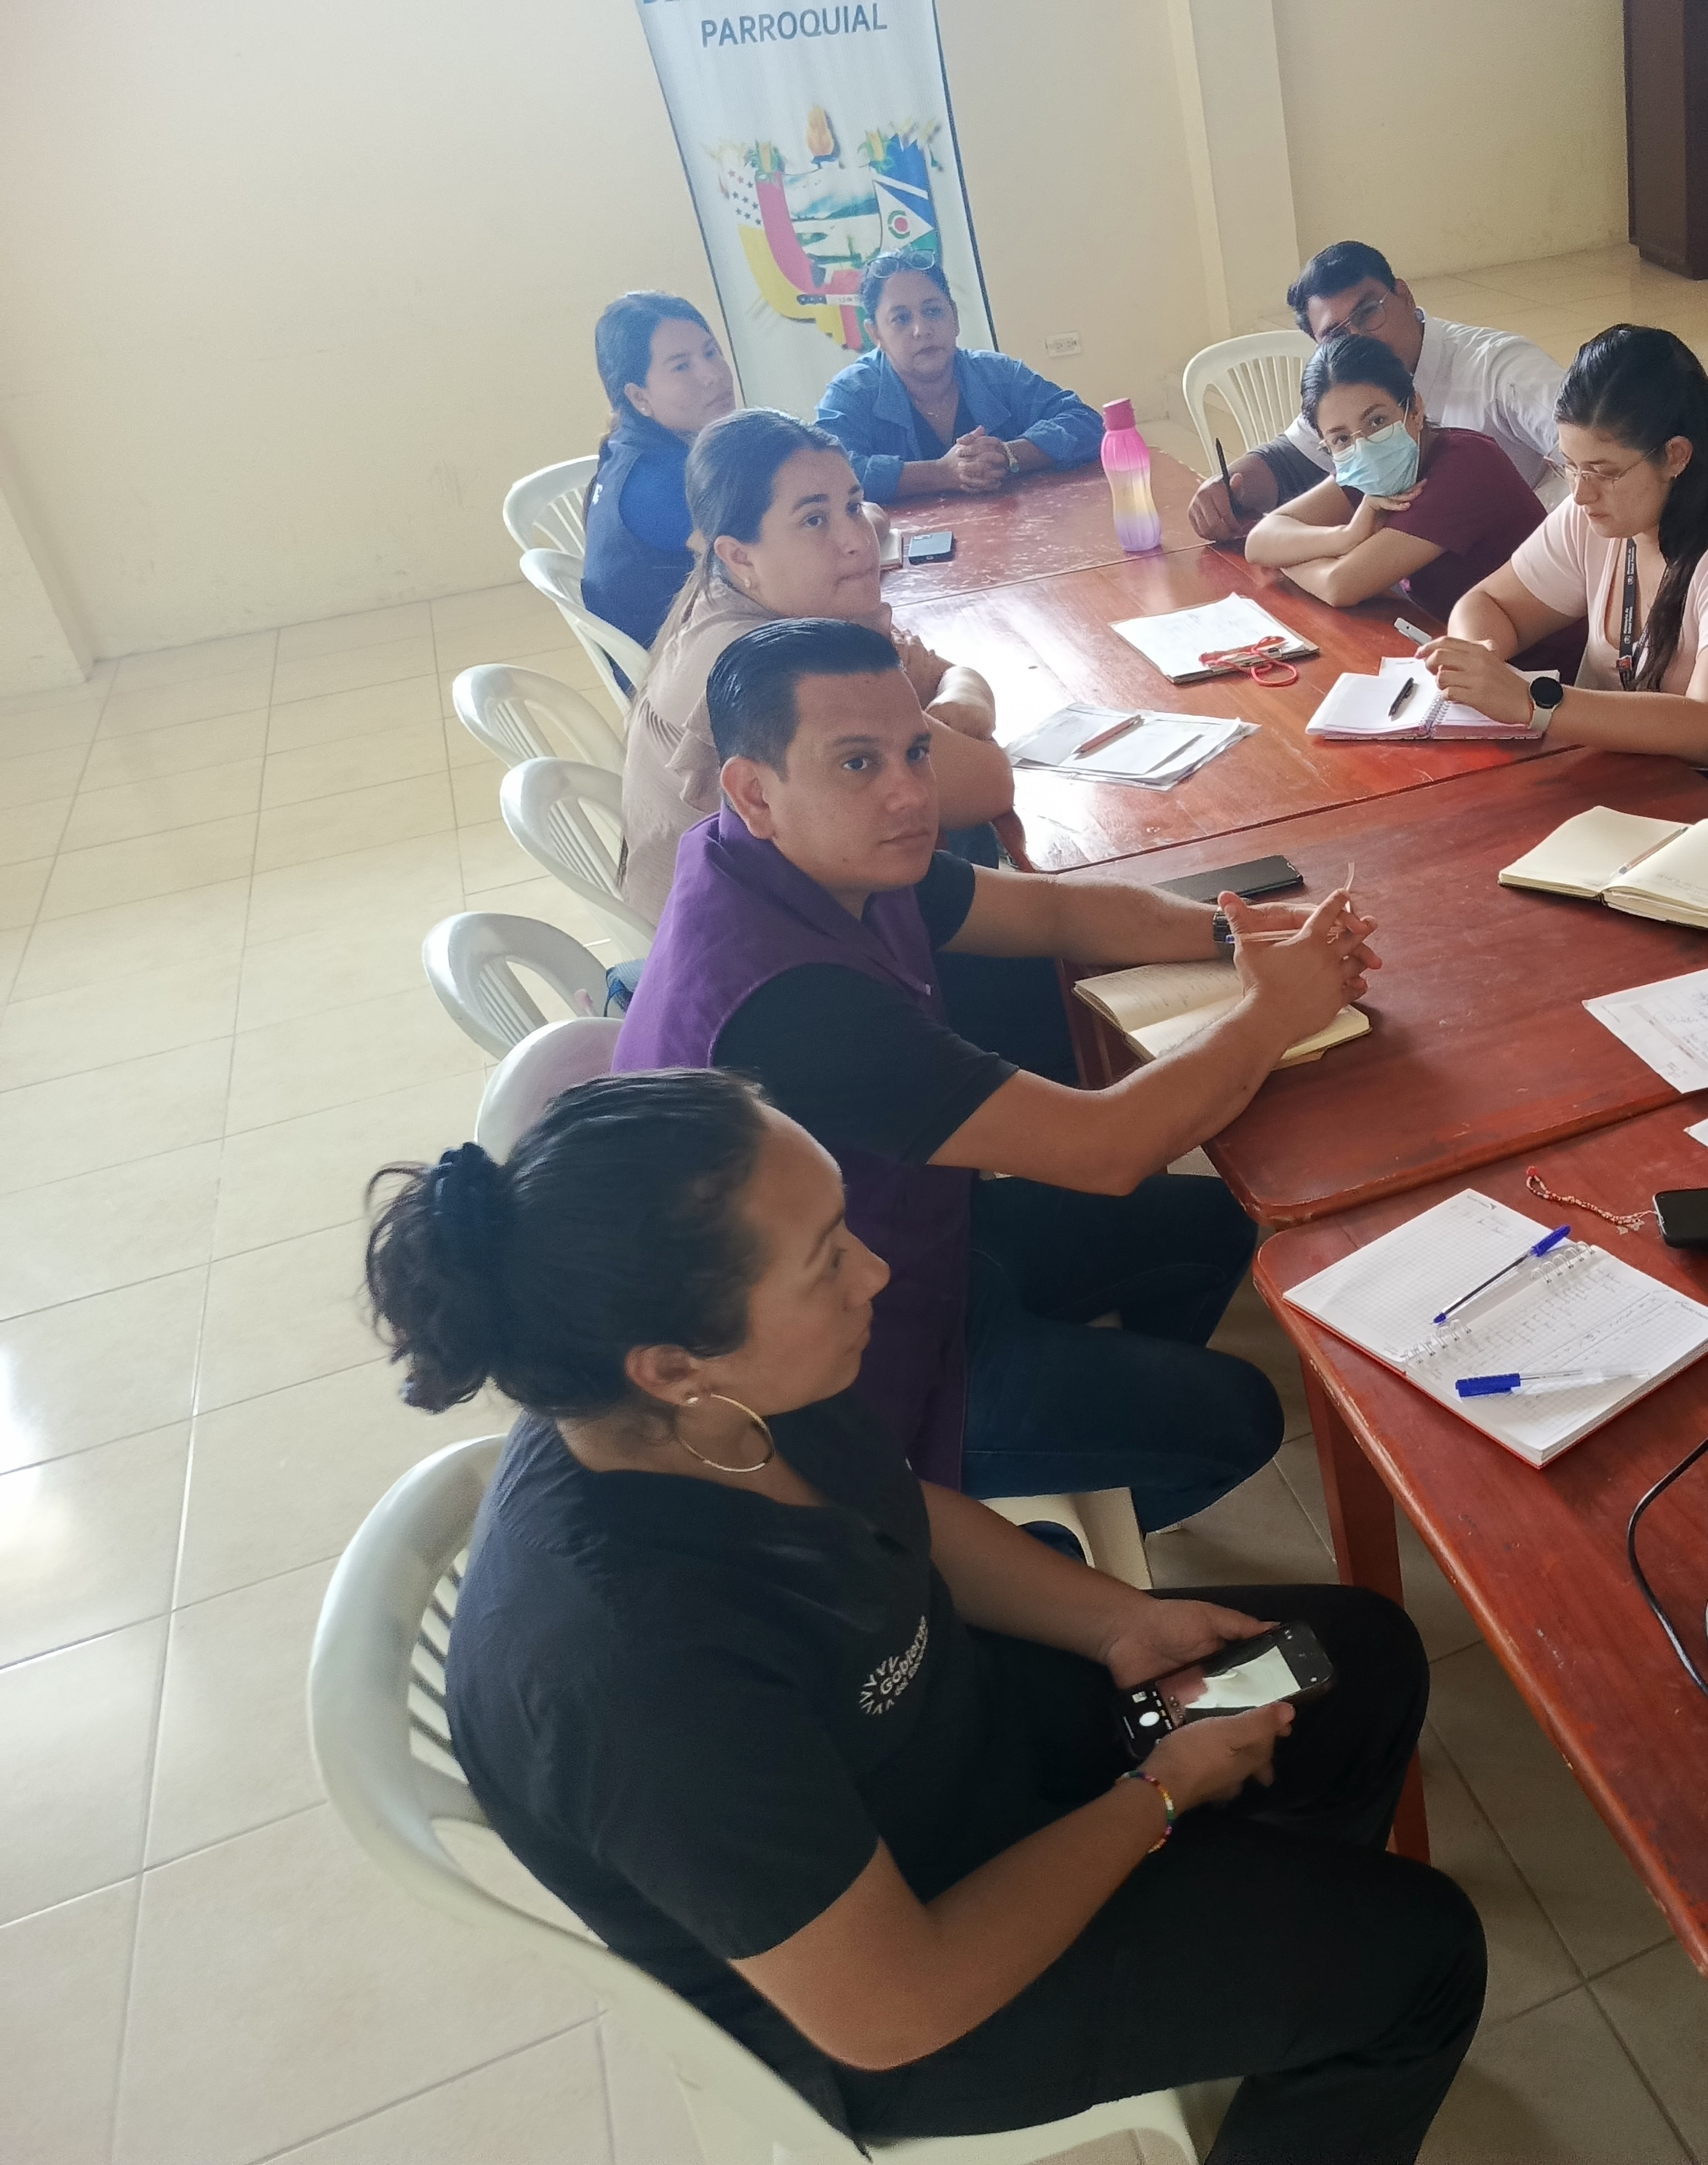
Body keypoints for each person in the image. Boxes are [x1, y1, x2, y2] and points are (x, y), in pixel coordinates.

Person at [373, 1069, 1484, 2159]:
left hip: (949, 1743)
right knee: (1424, 1961)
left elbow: (904, 1514)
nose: (876, 1271)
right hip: (913, 1978)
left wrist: (1117, 1624)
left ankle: (1271, 1965)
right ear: (673, 1366)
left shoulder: (715, 1401)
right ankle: (1300, 1978)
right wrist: (1157, 1796)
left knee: (1363, 1657)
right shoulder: (635, 1675)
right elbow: (893, 2007)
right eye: (827, 1261)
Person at [615, 616, 1381, 1528]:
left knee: (1212, 1226)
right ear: (754, 791)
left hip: (899, 1240)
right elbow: (1107, 1149)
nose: (909, 794)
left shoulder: (803, 854)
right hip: (831, 1372)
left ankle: (1098, 1413)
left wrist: (1240, 934)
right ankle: (1016, 1540)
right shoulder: (793, 1004)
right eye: (857, 763)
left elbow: (1052, 912)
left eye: (915, 752)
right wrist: (1275, 1010)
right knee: (1236, 1415)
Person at [1418, 324, 1708, 827]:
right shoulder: (1594, 513)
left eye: (1604, 471)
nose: (1580, 494)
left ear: (1675, 456)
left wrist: (1530, 701)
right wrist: (1480, 661)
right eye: (1569, 465)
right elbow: (1489, 604)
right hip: (1636, 767)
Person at [618, 408, 1007, 927]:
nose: (857, 540)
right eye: (814, 520)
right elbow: (990, 787)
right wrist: (960, 709)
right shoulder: (776, 664)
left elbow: (948, 677)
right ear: (739, 556)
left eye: (852, 506)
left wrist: (959, 703)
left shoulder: (733, 599)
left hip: (765, 923)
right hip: (765, 950)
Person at [1188, 240, 1565, 543]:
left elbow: (1592, 450)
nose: (1360, 338)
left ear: (1404, 296)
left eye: (1368, 312)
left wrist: (1542, 523)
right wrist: (1226, 489)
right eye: (1335, 334)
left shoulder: (1500, 368)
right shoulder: (1348, 384)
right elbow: (1288, 460)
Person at [1239, 334, 1578, 670]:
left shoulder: (1466, 466)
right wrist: (1345, 537)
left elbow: (1340, 585)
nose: (1364, 445)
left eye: (1377, 421)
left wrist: (1293, 555)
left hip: (1537, 674)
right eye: (1340, 438)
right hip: (1451, 648)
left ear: (1414, 408)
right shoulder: (1366, 468)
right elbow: (1260, 541)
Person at [818, 250, 1103, 503]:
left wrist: (1009, 455)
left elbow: (1085, 422)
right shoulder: (851, 393)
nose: (922, 330)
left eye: (933, 311)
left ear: (954, 317)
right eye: (901, 318)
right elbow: (828, 474)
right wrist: (940, 473)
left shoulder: (998, 374)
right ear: (876, 334)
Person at [580, 292, 738, 661]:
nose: (713, 375)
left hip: (701, 644)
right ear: (639, 397)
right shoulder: (657, 483)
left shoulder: (634, 446)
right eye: (681, 367)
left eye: (711, 352)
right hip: (683, 676)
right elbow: (760, 567)